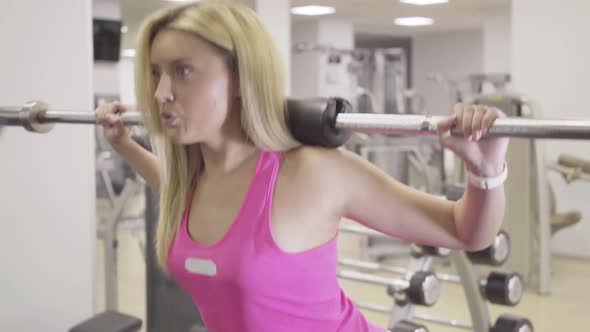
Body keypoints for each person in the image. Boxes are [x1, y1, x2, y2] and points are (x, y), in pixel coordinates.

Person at [96, 1, 508, 331]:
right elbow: (166, 183)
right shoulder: (192, 184)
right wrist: (125, 145)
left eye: (182, 71)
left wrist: (485, 172)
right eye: (155, 74)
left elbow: (463, 231)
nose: (161, 92)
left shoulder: (312, 173)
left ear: (240, 79)